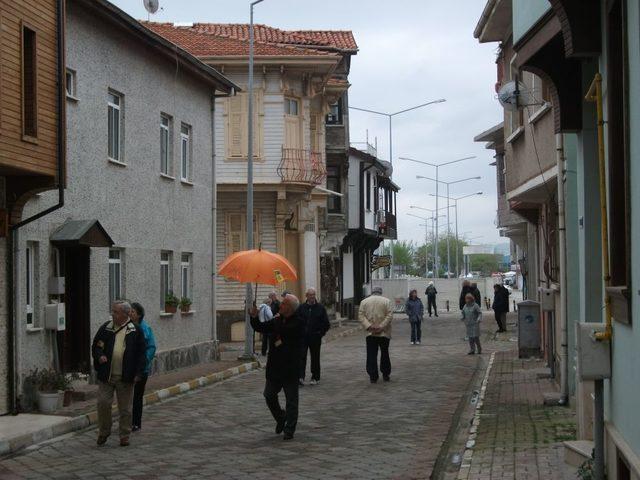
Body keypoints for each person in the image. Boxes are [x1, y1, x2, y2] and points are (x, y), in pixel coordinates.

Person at [92, 301, 146, 447]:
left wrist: (138, 373)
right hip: (107, 376)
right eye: (113, 311)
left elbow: (142, 354)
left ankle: (124, 435)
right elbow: (96, 345)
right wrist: (99, 356)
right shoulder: (106, 328)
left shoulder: (135, 330)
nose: (113, 314)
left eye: (116, 312)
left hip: (125, 376)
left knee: (125, 408)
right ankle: (104, 432)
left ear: (125, 314)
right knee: (103, 403)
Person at [250, 294, 304, 441]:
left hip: (290, 368)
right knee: (269, 395)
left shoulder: (298, 322)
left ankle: (289, 429)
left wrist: (276, 319)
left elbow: (286, 331)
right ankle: (281, 417)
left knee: (291, 401)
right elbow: (261, 327)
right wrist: (254, 317)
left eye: (284, 304)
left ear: (291, 309)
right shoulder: (277, 319)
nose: (280, 306)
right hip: (275, 368)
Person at [129, 302, 156, 432]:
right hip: (127, 367)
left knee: (137, 396)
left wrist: (144, 360)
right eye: (129, 311)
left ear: (139, 315)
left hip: (141, 368)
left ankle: (136, 422)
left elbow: (152, 347)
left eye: (133, 311)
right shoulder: (127, 327)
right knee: (126, 396)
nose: (130, 313)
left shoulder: (145, 329)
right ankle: (126, 421)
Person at [358, 286, 394, 383]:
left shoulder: (364, 302)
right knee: (385, 354)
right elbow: (390, 315)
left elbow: (361, 315)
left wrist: (369, 326)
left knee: (371, 354)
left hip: (370, 333)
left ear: (372, 292)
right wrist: (381, 326)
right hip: (384, 333)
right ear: (380, 292)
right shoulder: (387, 301)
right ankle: (386, 374)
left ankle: (373, 376)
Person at [298, 288, 330, 386]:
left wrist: (320, 333)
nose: (312, 297)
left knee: (315, 357)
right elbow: (297, 321)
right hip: (303, 337)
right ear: (306, 295)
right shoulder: (301, 307)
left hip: (315, 337)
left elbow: (326, 323)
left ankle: (315, 377)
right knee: (301, 357)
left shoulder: (320, 308)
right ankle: (300, 377)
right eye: (310, 295)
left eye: (313, 295)